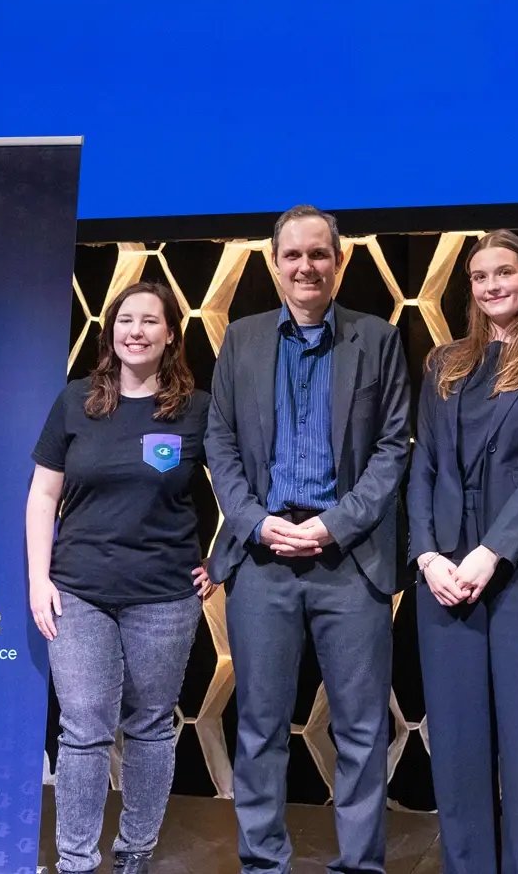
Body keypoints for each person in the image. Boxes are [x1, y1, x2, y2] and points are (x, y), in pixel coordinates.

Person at [204, 205, 412, 874]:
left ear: (339, 262)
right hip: (261, 562)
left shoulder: (377, 339)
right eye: (291, 255)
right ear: (274, 263)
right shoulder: (240, 339)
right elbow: (221, 441)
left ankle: (361, 866)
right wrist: (254, 520)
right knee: (261, 728)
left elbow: (392, 448)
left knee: (359, 730)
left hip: (350, 563)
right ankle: (263, 864)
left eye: (318, 254)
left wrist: (335, 523)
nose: (305, 267)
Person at [408, 230, 518, 874]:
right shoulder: (444, 364)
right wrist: (427, 556)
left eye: (504, 272)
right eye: (480, 277)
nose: (492, 286)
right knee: (457, 749)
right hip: (444, 579)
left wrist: (493, 551)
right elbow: (423, 463)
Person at [27, 281, 215, 874]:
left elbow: (237, 490)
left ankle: (135, 851)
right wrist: (38, 578)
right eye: (125, 319)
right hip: (78, 591)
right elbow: (42, 495)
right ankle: (76, 862)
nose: (136, 330)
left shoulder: (198, 409)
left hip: (165, 596)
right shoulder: (75, 400)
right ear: (110, 330)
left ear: (170, 335)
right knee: (84, 724)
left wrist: (222, 560)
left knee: (152, 724)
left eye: (149, 321)